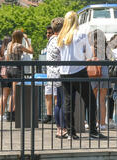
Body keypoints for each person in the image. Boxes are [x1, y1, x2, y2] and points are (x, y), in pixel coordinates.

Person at [57, 11, 107, 140]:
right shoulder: (81, 34)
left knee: (68, 103)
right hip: (78, 70)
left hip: (64, 72)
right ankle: (93, 131)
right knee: (90, 101)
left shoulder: (61, 36)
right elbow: (90, 55)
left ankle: (71, 132)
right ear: (76, 20)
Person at [5, 30, 34, 121]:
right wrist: (27, 40)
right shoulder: (19, 45)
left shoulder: (10, 44)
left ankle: (9, 113)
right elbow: (31, 51)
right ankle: (13, 114)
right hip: (16, 69)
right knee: (15, 93)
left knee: (11, 93)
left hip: (9, 69)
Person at [45, 18, 66, 139]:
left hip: (52, 74)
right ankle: (63, 128)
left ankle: (59, 128)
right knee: (62, 102)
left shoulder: (51, 40)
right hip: (60, 73)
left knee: (58, 102)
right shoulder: (59, 40)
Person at [88, 29, 111, 131]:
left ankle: (92, 122)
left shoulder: (92, 47)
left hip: (94, 72)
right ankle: (102, 123)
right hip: (105, 71)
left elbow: (91, 58)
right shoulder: (106, 47)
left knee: (92, 99)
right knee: (102, 100)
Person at [0, 36, 12, 122]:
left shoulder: (1, 52)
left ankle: (0, 114)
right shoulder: (8, 51)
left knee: (3, 95)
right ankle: (2, 114)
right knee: (5, 95)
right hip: (6, 74)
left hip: (2, 73)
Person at [42, 25, 55, 124]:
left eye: (50, 33)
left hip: (55, 72)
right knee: (47, 94)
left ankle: (55, 115)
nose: (48, 34)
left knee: (55, 95)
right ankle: (49, 115)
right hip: (48, 72)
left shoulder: (56, 41)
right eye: (47, 33)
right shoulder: (48, 43)